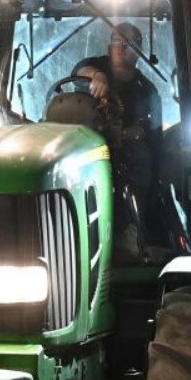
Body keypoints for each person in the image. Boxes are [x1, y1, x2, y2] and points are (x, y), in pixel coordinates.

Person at [72, 22, 162, 259]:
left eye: (128, 44)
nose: (120, 48)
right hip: (82, 141)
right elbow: (80, 70)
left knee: (140, 158)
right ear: (109, 47)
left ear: (139, 50)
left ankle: (130, 228)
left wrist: (127, 133)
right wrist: (97, 76)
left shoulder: (146, 90)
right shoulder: (96, 66)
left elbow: (149, 130)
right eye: (116, 42)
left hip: (122, 149)